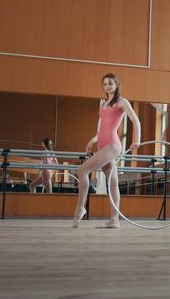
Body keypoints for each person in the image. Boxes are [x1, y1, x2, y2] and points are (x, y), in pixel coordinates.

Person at [73, 73, 141, 228]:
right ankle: (114, 220)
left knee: (82, 170)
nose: (107, 86)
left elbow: (135, 120)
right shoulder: (103, 103)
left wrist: (137, 140)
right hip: (102, 145)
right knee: (113, 183)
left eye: (110, 83)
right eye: (104, 84)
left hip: (112, 145)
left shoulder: (122, 102)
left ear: (116, 84)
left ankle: (80, 209)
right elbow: (102, 129)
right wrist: (92, 140)